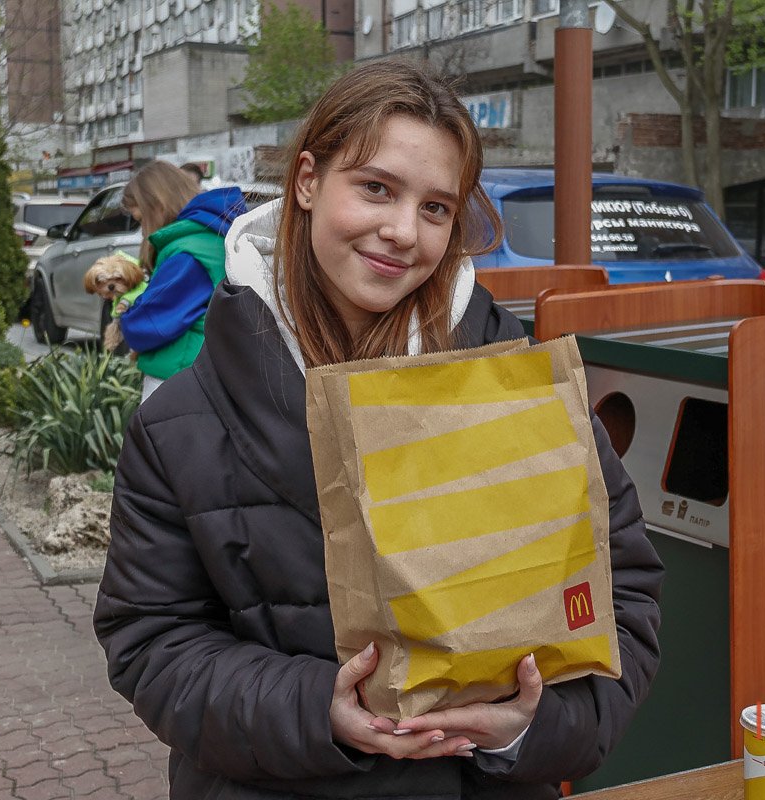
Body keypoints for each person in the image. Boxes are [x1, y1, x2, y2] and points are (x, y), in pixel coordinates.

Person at [94, 61, 663, 800]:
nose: (402, 232)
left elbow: (626, 600)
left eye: (436, 208)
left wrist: (527, 727)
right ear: (307, 181)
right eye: (376, 188)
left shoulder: (522, 387)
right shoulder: (179, 425)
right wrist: (316, 711)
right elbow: (152, 643)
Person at [118, 160, 246, 401]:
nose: (143, 231)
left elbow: (150, 322)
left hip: (180, 381)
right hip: (212, 374)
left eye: (141, 219)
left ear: (157, 206)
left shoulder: (188, 252)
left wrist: (125, 318)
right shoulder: (211, 234)